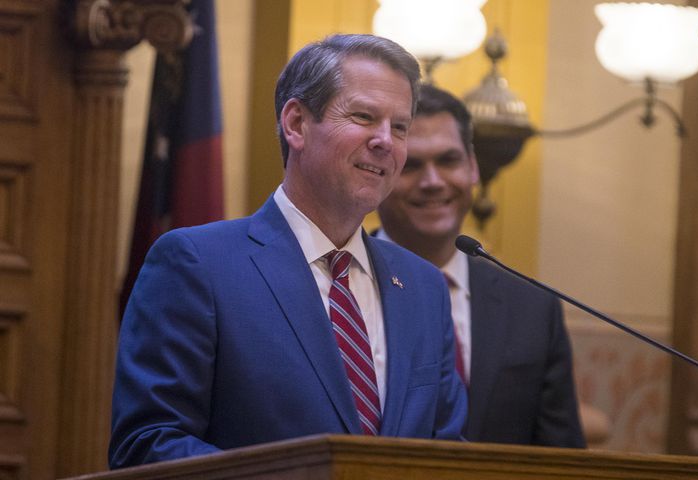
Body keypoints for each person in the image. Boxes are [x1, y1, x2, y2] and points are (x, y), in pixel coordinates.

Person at [109, 35, 467, 469]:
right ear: (296, 124)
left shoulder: (422, 286)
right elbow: (148, 445)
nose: (386, 142)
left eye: (401, 127)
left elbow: (449, 454)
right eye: (364, 116)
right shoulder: (197, 264)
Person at [376, 84, 585, 447]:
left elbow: (562, 456)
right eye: (410, 165)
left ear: (472, 167)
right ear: (377, 173)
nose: (432, 182)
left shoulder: (534, 309)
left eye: (448, 160)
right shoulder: (339, 286)